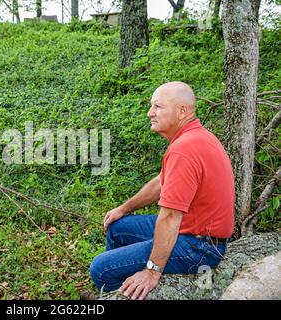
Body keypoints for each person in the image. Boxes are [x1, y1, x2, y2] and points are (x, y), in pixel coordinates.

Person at [89, 81, 235, 300]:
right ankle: (116, 290)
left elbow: (169, 218)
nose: (150, 113)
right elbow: (161, 182)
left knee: (100, 268)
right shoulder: (195, 137)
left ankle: (124, 291)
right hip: (191, 232)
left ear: (182, 110)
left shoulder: (184, 149)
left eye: (158, 107)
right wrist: (123, 208)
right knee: (117, 228)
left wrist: (152, 271)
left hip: (200, 247)